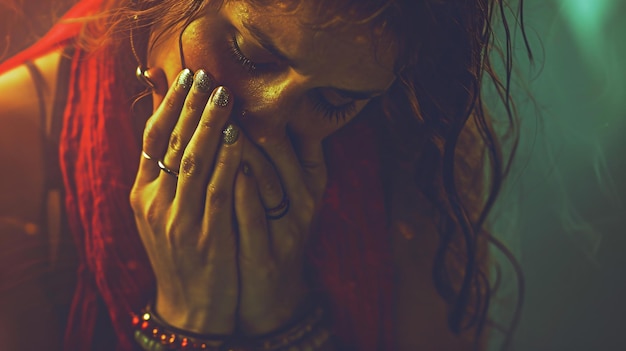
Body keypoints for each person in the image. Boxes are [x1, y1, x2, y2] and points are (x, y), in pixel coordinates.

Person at [0, 0, 529, 350]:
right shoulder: (13, 145)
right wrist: (187, 317)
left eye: (333, 100)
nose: (268, 125)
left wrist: (276, 309)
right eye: (248, 56)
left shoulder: (418, 143)